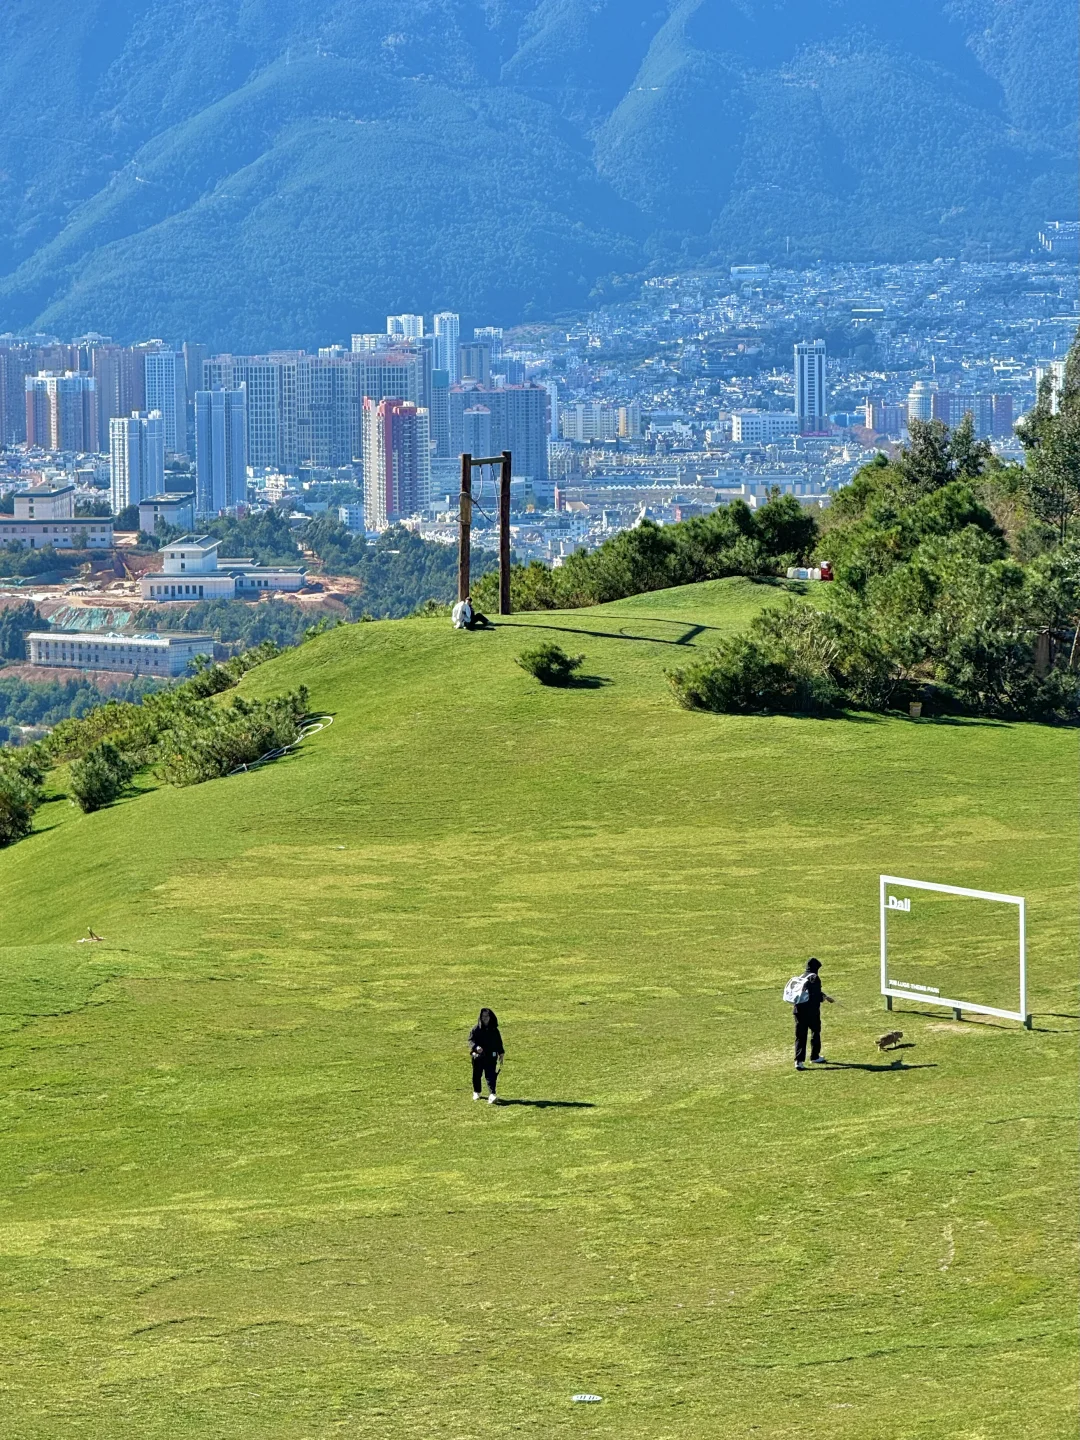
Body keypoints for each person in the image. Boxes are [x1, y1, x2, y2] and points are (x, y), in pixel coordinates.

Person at [794, 957, 834, 1070]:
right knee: (815, 1032)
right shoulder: (815, 978)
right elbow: (816, 995)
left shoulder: (802, 977)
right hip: (811, 1012)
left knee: (800, 1036)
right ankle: (814, 1056)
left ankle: (798, 1061)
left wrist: (825, 996)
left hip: (798, 1010)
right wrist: (823, 999)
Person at [469, 1007, 504, 1103]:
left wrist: (501, 1053)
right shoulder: (475, 1029)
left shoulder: (494, 1030)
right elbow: (471, 1041)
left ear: (490, 1017)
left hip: (491, 1057)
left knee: (491, 1075)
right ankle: (476, 1092)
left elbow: (498, 1042)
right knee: (477, 1075)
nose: (485, 1018)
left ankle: (492, 1094)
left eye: (487, 1016)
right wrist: (476, 1047)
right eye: (483, 1016)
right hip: (478, 1057)